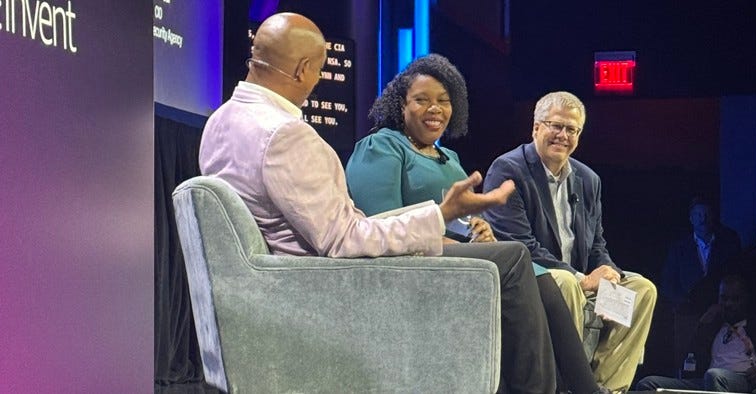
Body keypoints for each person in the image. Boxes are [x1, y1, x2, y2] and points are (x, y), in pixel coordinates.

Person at [198, 13, 555, 393]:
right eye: (318, 71)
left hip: (277, 288)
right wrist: (440, 215)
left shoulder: (219, 122)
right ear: (303, 69)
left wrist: (438, 216)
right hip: (325, 290)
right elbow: (343, 241)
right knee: (513, 259)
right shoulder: (285, 135)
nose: (318, 81)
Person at [345, 53, 604, 394]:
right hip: (407, 261)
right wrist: (453, 240)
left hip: (453, 253)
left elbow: (461, 218)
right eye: (421, 100)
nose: (434, 109)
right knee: (514, 256)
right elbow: (381, 225)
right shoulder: (381, 147)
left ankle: (579, 389)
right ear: (400, 104)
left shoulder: (447, 157)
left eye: (443, 101)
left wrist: (480, 230)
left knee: (545, 283)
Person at [483, 91, 657, 392]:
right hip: (531, 279)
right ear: (536, 127)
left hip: (578, 279)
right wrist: (583, 279)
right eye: (556, 126)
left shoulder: (588, 180)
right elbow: (519, 244)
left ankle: (604, 386)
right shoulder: (508, 170)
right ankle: (571, 385)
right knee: (563, 282)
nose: (563, 135)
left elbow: (596, 244)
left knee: (642, 290)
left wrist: (608, 272)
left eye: (572, 129)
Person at [636, 275, 756, 392]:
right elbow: (689, 361)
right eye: (724, 298)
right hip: (706, 381)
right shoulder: (713, 328)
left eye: (735, 299)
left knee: (714, 376)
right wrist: (703, 325)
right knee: (648, 383)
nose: (728, 304)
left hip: (742, 379)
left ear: (746, 299)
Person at [661, 197, 742, 314]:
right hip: (688, 312)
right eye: (698, 214)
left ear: (712, 216)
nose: (702, 219)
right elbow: (668, 282)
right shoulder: (679, 248)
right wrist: (684, 303)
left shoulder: (728, 242)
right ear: (691, 218)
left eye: (706, 214)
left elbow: (736, 272)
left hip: (722, 310)